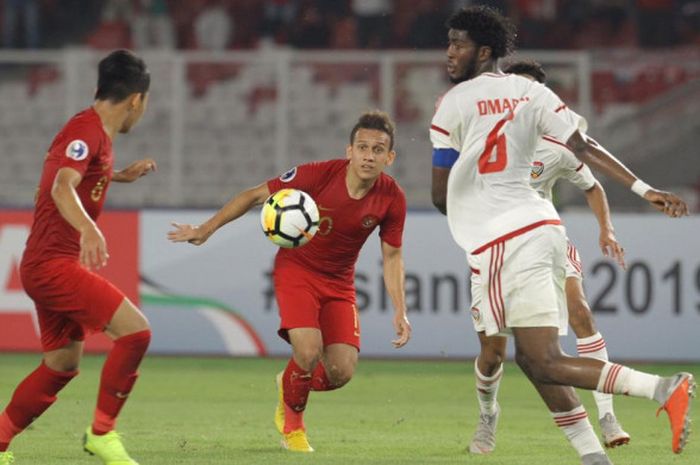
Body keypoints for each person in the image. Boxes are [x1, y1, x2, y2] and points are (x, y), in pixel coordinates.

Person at [429, 7, 694, 465]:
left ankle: (662, 388)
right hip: (542, 227)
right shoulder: (532, 92)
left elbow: (439, 194)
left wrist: (467, 206)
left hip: (500, 240)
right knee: (535, 359)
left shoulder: (453, 102)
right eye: (449, 42)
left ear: (484, 51)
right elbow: (584, 147)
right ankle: (596, 458)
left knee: (539, 359)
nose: (449, 52)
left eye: (458, 43)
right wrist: (643, 188)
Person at [168, 110, 412, 453]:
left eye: (377, 150)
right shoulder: (317, 175)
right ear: (349, 151)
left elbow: (392, 257)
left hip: (340, 283)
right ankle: (293, 428)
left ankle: (289, 382)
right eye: (362, 147)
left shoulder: (392, 197)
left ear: (390, 157)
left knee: (341, 372)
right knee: (308, 350)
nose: (368, 156)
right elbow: (254, 195)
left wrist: (400, 310)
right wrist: (205, 230)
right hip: (297, 271)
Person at [465, 59, 631, 455]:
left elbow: (593, 187)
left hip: (546, 243)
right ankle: (488, 414)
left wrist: (606, 228)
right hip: (495, 254)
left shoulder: (557, 145)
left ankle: (607, 415)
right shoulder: (482, 139)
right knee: (493, 352)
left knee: (581, 314)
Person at [0, 50, 155, 465]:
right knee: (136, 333)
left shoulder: (90, 134)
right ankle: (102, 433)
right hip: (53, 264)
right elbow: (61, 186)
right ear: (137, 100)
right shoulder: (87, 132)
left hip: (43, 263)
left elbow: (66, 173)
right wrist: (88, 226)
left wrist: (117, 176)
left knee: (62, 363)